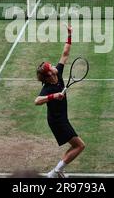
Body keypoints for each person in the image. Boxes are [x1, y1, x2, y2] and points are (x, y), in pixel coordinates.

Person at [34, 25, 85, 178]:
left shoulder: (58, 73)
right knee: (80, 145)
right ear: (49, 74)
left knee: (77, 145)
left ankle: (58, 171)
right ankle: (56, 172)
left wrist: (69, 34)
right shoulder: (48, 87)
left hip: (62, 119)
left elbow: (65, 52)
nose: (54, 66)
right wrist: (54, 96)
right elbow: (37, 101)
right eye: (51, 67)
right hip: (57, 121)